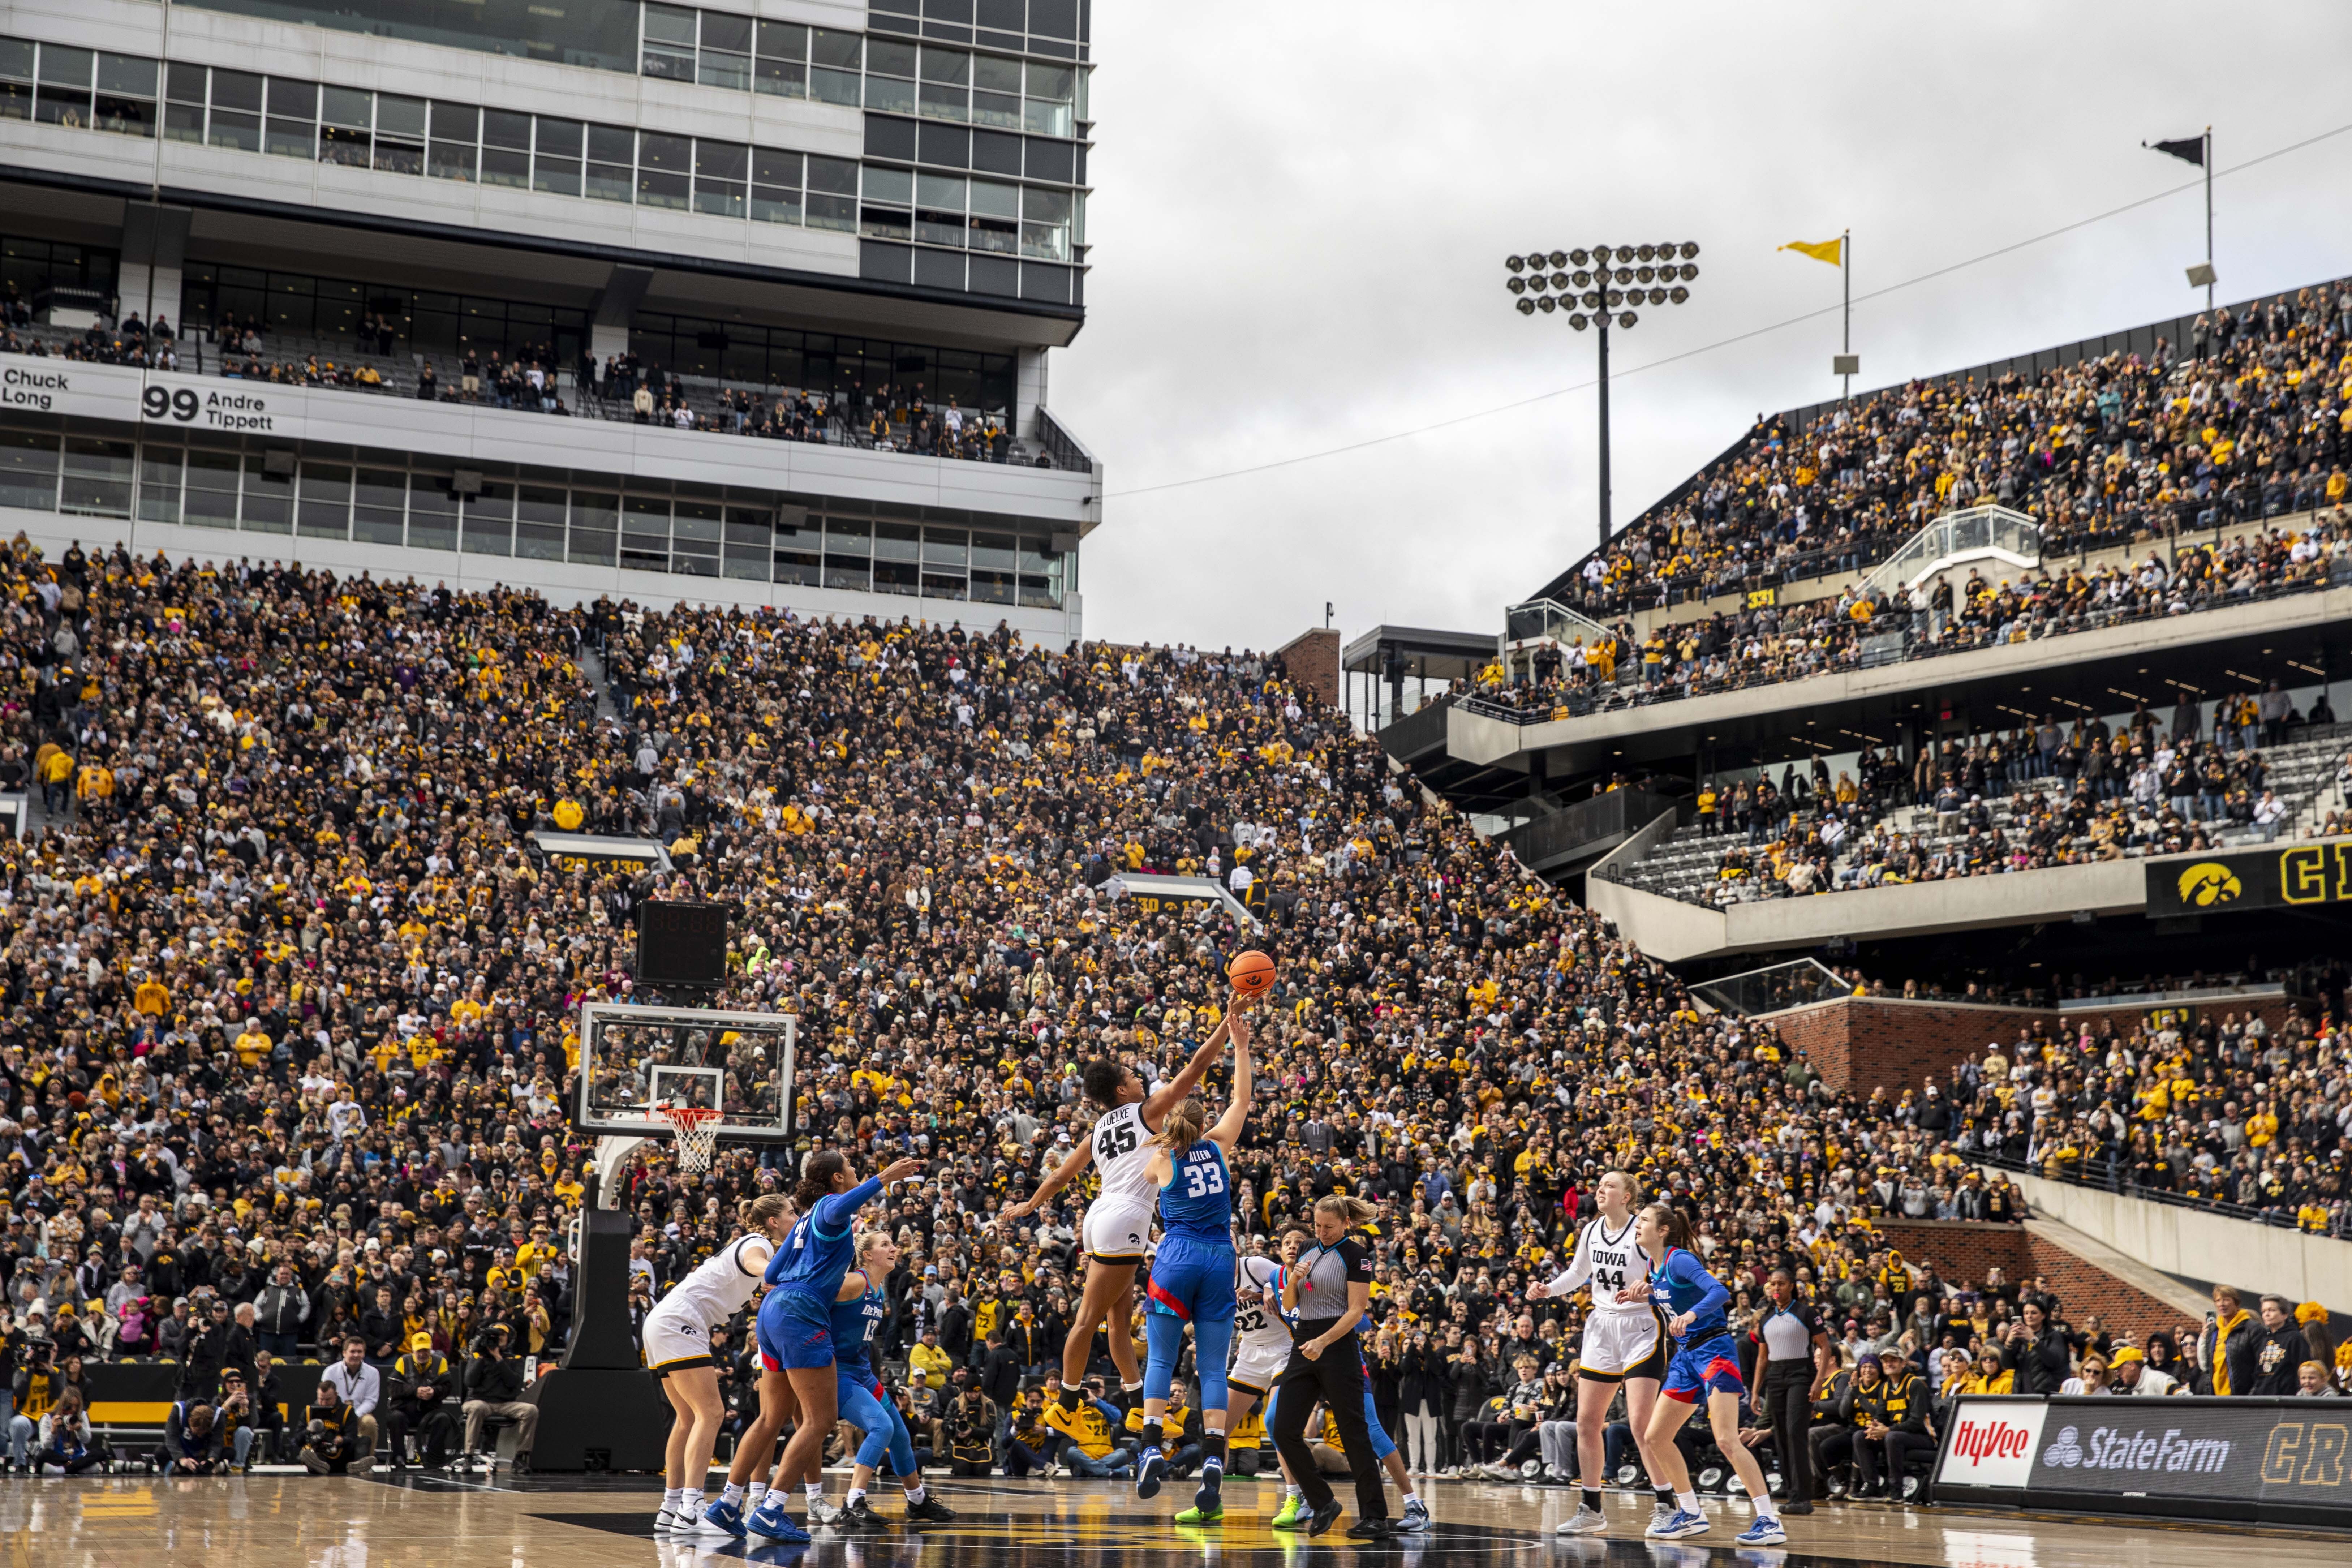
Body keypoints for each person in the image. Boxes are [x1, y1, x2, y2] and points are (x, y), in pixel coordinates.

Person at [1005, 1013, 1238, 1424]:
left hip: (1100, 1215)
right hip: (1126, 1217)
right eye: (1132, 1075)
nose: (1139, 1078)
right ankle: (1068, 1404)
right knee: (1087, 1319)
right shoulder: (1146, 1112)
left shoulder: (1096, 1129)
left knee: (1117, 1323)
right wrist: (1228, 1023)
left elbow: (1060, 1175)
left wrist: (1030, 1204)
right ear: (1120, 1089)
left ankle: (1136, 1405)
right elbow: (1198, 1065)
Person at [745, 1150, 924, 1545]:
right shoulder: (829, 1211)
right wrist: (885, 1176)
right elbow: (840, 1205)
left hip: (781, 1315)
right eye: (850, 1169)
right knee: (815, 1422)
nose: (856, 1172)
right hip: (807, 1326)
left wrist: (786, 1289)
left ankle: (732, 1501)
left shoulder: (806, 1221)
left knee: (780, 1419)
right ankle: (773, 1507)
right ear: (838, 1179)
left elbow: (772, 1273)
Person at [1135, 1001, 1254, 1518]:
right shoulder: (1219, 1146)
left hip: (1177, 1253)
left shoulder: (1161, 1157)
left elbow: (1143, 1177)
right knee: (1211, 1367)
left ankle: (1149, 1445)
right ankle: (1211, 1459)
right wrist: (1242, 1045)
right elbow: (1243, 1099)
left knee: (1161, 1359)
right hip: (1220, 1256)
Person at [1626, 1204, 1785, 1545]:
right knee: (1655, 1437)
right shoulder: (1653, 1268)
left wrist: (1692, 1316)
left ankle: (1769, 1520)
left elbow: (1718, 1292)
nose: (1637, 1226)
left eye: (1643, 1221)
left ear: (1663, 1230)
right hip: (1685, 1359)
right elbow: (1677, 1297)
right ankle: (1690, 1513)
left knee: (1726, 1439)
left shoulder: (1679, 1258)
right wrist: (1648, 1294)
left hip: (1714, 1352)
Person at [1531, 1169, 1677, 1535]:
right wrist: (1548, 1289)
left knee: (1642, 1426)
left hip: (1641, 1326)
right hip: (1600, 1327)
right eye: (1599, 1185)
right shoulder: (1592, 1229)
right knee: (1586, 1422)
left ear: (1627, 1197)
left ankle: (1666, 1504)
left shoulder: (1641, 1232)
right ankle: (1591, 1507)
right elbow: (1578, 1272)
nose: (1600, 1190)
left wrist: (1649, 1288)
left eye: (1610, 1185)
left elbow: (1667, 1276)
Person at [648, 1191, 792, 1537]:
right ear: (773, 1221)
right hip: (682, 1319)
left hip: (666, 1318)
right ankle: (692, 1508)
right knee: (711, 1413)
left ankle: (671, 1507)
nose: (795, 1217)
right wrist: (776, 1276)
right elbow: (759, 1264)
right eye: (790, 1212)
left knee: (687, 1418)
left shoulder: (750, 1243)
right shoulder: (758, 1243)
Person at [1269, 1195, 1390, 1540]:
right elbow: (1289, 1302)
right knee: (1282, 1429)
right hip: (1304, 1339)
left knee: (1354, 1432)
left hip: (1336, 1344)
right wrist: (1293, 1278)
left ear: (1345, 1223)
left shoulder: (1356, 1255)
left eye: (1329, 1227)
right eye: (1318, 1225)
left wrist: (1324, 1341)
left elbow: (1356, 1311)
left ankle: (1375, 1516)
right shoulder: (1307, 1246)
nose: (1321, 1232)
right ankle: (1323, 1502)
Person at [826, 1229, 954, 1528]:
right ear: (868, 1254)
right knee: (880, 1427)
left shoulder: (879, 1288)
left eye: (893, 1244)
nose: (894, 1248)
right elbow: (812, 1296)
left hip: (862, 1371)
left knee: (899, 1435)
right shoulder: (854, 1281)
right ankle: (853, 1502)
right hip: (837, 1372)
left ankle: (918, 1500)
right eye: (885, 1244)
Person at [1745, 1267, 1832, 1514]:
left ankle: (1803, 1497)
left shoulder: (1806, 1312)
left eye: (1781, 1283)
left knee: (1795, 1431)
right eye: (1773, 1284)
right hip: (1775, 1376)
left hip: (1800, 1375)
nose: (1776, 1288)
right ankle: (1790, 1489)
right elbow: (1762, 1358)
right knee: (1781, 1435)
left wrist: (1819, 1381)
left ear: (1791, 1285)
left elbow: (1825, 1347)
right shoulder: (1765, 1317)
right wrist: (1754, 1392)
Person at [459, 1324, 539, 1470]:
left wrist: (499, 1359)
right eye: (494, 1336)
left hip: (505, 1404)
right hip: (479, 1401)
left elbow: (513, 1382)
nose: (498, 1339)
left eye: (502, 1335)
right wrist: (482, 1357)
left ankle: (520, 1457)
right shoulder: (478, 1357)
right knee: (477, 1408)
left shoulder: (516, 1359)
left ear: (508, 1339)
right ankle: (468, 1457)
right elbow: (470, 1381)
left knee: (531, 1410)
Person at [386, 1332, 460, 1469]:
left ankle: (434, 1459)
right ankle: (399, 1457)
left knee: (443, 1418)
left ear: (431, 1349)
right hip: (405, 1410)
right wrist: (416, 1391)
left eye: (425, 1350)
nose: (422, 1354)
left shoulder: (440, 1362)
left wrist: (434, 1392)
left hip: (429, 1411)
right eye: (419, 1351)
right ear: (413, 1350)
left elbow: (447, 1387)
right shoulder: (404, 1360)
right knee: (395, 1418)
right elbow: (393, 1387)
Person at [317, 1335, 382, 1470]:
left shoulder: (373, 1373)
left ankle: (365, 1463)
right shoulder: (331, 1371)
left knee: (370, 1422)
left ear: (364, 1353)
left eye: (360, 1352)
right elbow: (325, 1398)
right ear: (344, 1353)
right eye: (353, 1352)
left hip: (360, 1414)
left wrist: (353, 1415)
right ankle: (324, 1460)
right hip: (335, 1414)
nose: (356, 1355)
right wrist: (343, 1416)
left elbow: (371, 1401)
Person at [34, 1386, 98, 1475]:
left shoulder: (82, 1416)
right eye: (70, 1406)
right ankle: (77, 1468)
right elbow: (46, 1447)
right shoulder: (48, 1418)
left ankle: (63, 1470)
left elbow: (87, 1440)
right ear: (63, 1404)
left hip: (77, 1456)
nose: (74, 1410)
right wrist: (53, 1432)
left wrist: (80, 1429)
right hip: (58, 1457)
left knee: (101, 1453)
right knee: (42, 1455)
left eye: (77, 1406)